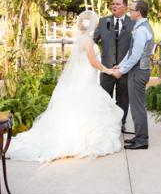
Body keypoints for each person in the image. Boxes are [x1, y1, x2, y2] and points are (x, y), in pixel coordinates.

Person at [9, 11, 123, 161]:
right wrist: (108, 70)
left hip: (84, 74)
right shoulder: (87, 41)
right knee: (88, 100)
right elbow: (93, 61)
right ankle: (81, 138)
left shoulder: (83, 39)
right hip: (86, 74)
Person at [113, 0, 154, 150]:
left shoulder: (142, 30)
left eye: (131, 9)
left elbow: (136, 54)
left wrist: (121, 71)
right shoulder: (140, 27)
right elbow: (131, 51)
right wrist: (121, 65)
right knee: (136, 106)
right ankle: (139, 136)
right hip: (137, 70)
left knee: (137, 107)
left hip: (139, 72)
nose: (129, 11)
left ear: (138, 12)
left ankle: (142, 140)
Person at [93, 0, 134, 132]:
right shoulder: (103, 21)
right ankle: (105, 123)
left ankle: (120, 123)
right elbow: (93, 40)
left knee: (123, 98)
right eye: (113, 4)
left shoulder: (133, 23)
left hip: (125, 70)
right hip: (106, 68)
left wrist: (125, 66)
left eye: (117, 4)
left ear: (125, 7)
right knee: (105, 97)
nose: (114, 6)